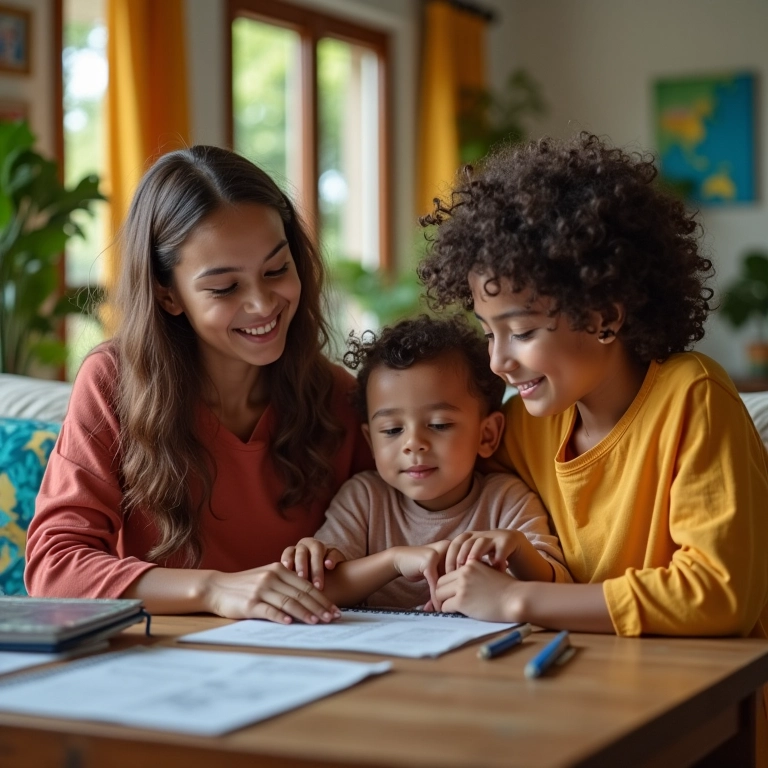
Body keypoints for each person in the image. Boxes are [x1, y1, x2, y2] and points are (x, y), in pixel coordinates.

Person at [417, 132, 768, 634]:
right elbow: (427, 484)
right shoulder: (522, 428)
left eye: (522, 332)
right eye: (489, 333)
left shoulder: (694, 397)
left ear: (604, 317)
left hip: (709, 681)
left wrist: (517, 598)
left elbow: (718, 594)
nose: (498, 361)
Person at [24, 145, 374, 624]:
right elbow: (55, 568)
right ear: (168, 294)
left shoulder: (338, 395)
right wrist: (214, 590)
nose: (262, 304)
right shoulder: (112, 382)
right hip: (164, 657)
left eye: (277, 270)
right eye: (225, 287)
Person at [281, 314, 570, 610]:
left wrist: (518, 550)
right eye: (392, 430)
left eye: (439, 424)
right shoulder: (364, 499)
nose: (413, 443)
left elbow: (558, 586)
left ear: (487, 435)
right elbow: (319, 588)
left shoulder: (506, 500)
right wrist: (394, 561)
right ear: (370, 441)